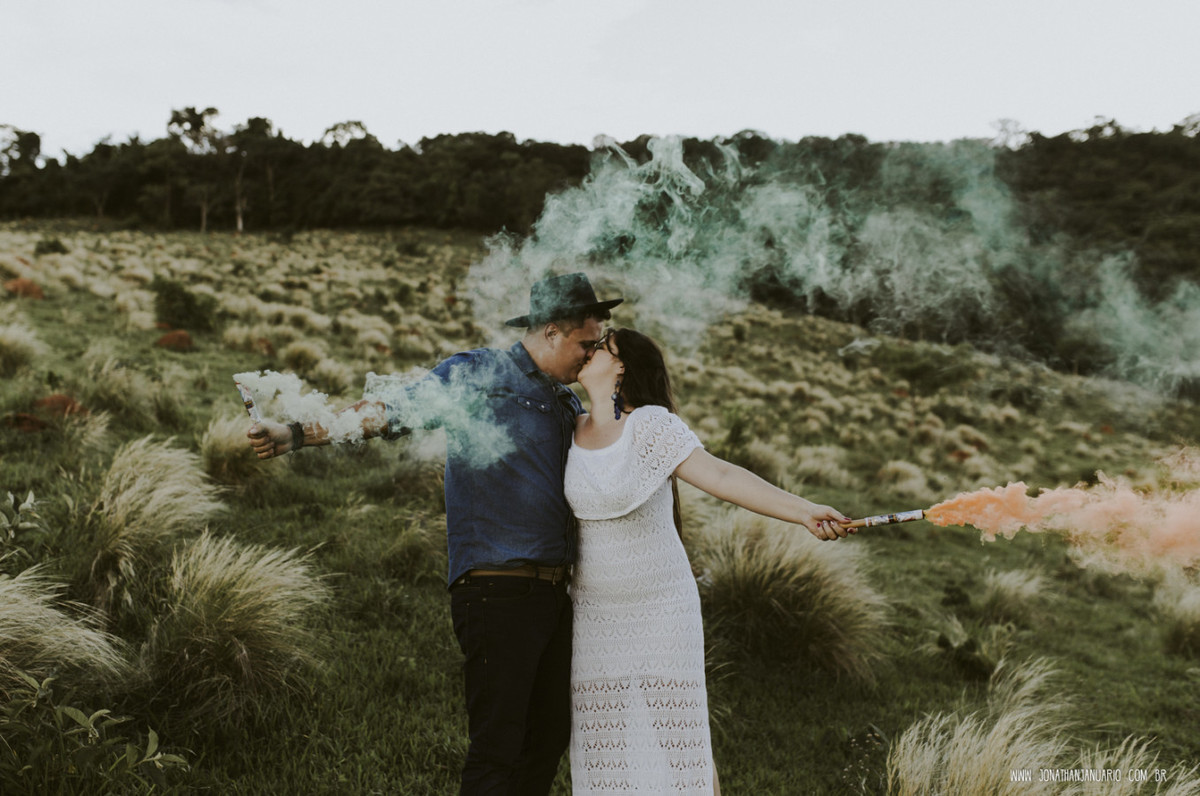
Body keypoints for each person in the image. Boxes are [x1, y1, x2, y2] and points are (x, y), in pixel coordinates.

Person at [247, 272, 623, 796]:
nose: (591, 356)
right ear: (554, 331)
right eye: (586, 344)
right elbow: (389, 412)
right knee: (498, 748)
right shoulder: (481, 373)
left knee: (546, 742)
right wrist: (295, 434)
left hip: (556, 596)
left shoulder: (565, 402)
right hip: (497, 588)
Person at [564, 328, 852, 795]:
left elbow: (719, 473)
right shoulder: (571, 426)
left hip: (659, 610)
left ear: (621, 366)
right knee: (606, 741)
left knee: (680, 742)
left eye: (599, 347)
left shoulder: (650, 424)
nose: (587, 351)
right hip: (593, 615)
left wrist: (803, 511)